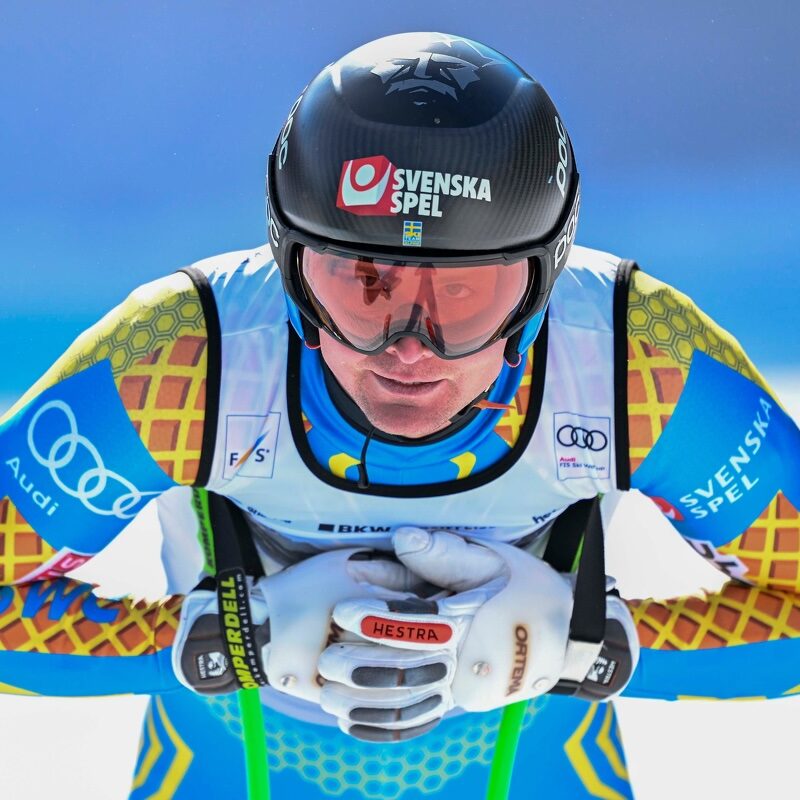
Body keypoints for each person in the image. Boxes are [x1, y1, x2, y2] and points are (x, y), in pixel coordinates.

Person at [1, 31, 799, 800]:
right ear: (289, 265)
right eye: (365, 287)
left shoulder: (639, 357)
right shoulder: (178, 358)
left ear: (543, 283)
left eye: (463, 295)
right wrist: (582, 643)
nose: (410, 350)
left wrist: (223, 641)